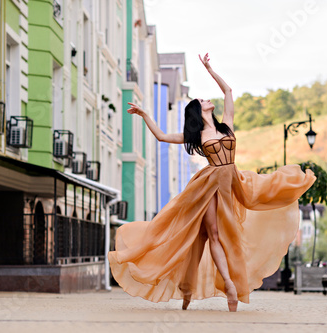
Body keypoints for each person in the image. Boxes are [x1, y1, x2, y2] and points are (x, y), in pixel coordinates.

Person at [108, 53, 316, 312]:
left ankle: (188, 289)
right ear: (198, 110)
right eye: (203, 100)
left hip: (231, 183)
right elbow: (161, 136)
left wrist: (209, 69)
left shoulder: (226, 126)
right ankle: (229, 285)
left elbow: (228, 90)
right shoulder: (196, 134)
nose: (208, 100)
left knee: (208, 237)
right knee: (214, 234)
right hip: (207, 186)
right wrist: (144, 114)